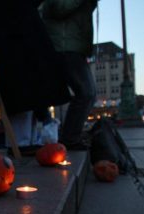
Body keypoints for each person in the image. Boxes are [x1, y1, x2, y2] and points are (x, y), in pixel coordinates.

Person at [0, 0, 71, 155]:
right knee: (23, 82)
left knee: (28, 84)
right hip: (16, 31)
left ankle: (26, 141)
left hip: (18, 29)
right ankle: (21, 142)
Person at [40, 0, 98, 150]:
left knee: (88, 93)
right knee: (86, 92)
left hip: (73, 46)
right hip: (65, 46)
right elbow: (58, 7)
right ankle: (70, 138)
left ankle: (70, 136)